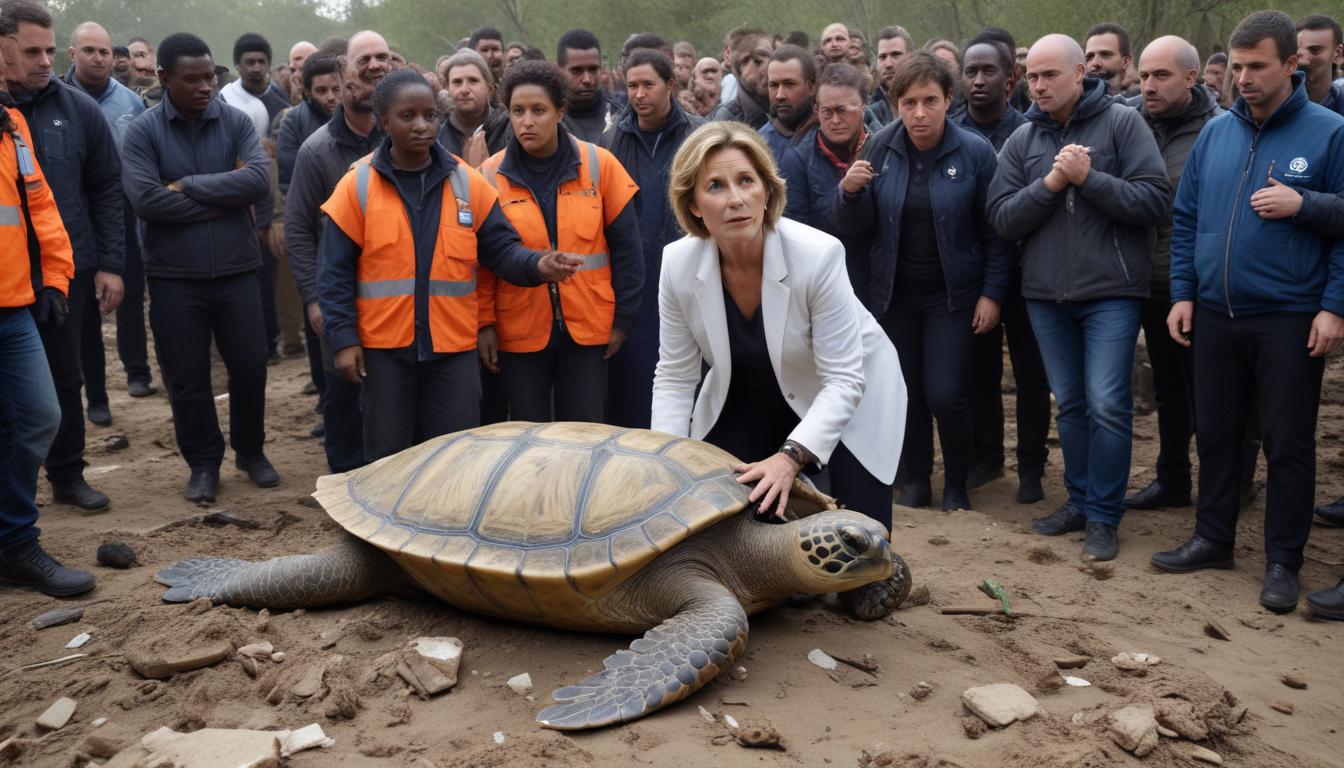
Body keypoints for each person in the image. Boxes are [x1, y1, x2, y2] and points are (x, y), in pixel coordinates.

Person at [1152, 11, 1344, 615]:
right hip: (1213, 312)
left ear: (1293, 64)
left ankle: (1283, 560)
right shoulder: (1216, 132)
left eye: (1257, 66)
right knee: (1215, 433)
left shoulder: (1329, 133)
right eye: (1236, 67)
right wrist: (1184, 292)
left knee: (1287, 443)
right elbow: (1185, 220)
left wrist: (1333, 304)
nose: (1243, 78)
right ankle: (1213, 538)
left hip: (1289, 315)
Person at [316, 70, 580, 462]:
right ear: (385, 122)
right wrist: (344, 340)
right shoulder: (357, 185)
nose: (421, 126)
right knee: (388, 454)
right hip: (384, 350)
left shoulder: (466, 182)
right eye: (407, 117)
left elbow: (501, 250)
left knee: (453, 456)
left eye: (429, 115)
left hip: (453, 349)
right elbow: (333, 272)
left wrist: (538, 264)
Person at [652, 122, 905, 528]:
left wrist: (790, 457)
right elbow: (675, 378)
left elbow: (843, 379)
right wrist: (663, 461)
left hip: (848, 393)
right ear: (694, 204)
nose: (735, 199)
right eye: (715, 186)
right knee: (722, 521)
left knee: (860, 548)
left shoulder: (818, 256)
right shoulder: (677, 264)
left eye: (746, 181)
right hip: (747, 395)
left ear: (767, 191)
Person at [988, 34, 1170, 562]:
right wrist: (1049, 184)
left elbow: (1154, 200)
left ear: (1078, 74)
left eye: (1049, 75)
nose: (1038, 86)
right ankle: (1081, 501)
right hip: (1045, 295)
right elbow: (1001, 217)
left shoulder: (1122, 123)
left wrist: (1089, 179)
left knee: (1108, 405)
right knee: (1069, 406)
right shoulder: (1023, 139)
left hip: (1111, 292)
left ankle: (1105, 518)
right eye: (1032, 77)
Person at [834, 52, 1010, 512]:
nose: (919, 113)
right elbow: (857, 229)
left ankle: (956, 483)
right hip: (895, 295)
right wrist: (849, 194)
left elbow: (995, 232)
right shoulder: (878, 148)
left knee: (947, 393)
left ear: (948, 100)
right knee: (905, 390)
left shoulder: (974, 152)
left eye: (930, 100)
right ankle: (917, 478)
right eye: (908, 102)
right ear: (895, 104)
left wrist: (992, 293)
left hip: (952, 295)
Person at [121, 32, 277, 503]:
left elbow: (256, 182)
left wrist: (185, 185)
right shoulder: (143, 131)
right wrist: (222, 198)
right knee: (187, 377)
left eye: (209, 76)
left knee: (250, 366)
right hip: (173, 278)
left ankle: (250, 451)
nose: (205, 86)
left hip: (237, 271)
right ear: (165, 79)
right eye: (192, 79)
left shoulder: (234, 123)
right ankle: (204, 463)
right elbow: (148, 201)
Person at [4, 0, 124, 512]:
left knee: (64, 374)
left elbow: (106, 189)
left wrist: (110, 264)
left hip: (64, 270)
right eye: (32, 50)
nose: (44, 60)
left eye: (50, 49)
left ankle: (68, 474)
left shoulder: (79, 111)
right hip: (6, 273)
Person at [477, 61, 643, 424]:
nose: (527, 121)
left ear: (560, 112)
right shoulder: (488, 175)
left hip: (588, 326)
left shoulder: (601, 165)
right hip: (518, 329)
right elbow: (483, 260)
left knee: (585, 432)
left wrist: (621, 320)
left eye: (539, 110)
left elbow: (628, 250)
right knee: (527, 435)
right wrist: (485, 323)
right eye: (518, 111)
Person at [0, 36, 94, 595]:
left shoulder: (12, 125)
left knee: (39, 416)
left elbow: (39, 202)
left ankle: (14, 543)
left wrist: (56, 278)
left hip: (14, 306)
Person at [1123, 36, 1222, 512]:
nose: (1149, 85)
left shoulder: (1220, 129)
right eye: (1143, 76)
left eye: (1161, 75)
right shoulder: (1128, 122)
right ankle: (1173, 478)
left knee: (1216, 393)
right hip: (1144, 283)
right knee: (1167, 388)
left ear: (1192, 77)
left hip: (1201, 288)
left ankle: (1231, 483)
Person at [953, 35, 1051, 504]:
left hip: (1031, 274)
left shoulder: (1033, 131)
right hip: (976, 278)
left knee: (1033, 376)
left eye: (988, 71)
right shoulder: (951, 133)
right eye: (970, 71)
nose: (977, 80)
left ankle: (1031, 466)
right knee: (980, 373)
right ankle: (986, 456)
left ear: (1011, 78)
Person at [286, 29, 389, 472]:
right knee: (344, 400)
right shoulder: (317, 151)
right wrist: (313, 296)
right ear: (343, 71)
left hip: (396, 301)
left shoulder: (411, 138)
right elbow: (298, 230)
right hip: (339, 300)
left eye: (382, 58)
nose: (374, 66)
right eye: (363, 59)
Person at [601, 49, 704, 428]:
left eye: (648, 84)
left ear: (671, 86)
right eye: (632, 86)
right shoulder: (611, 142)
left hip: (692, 276)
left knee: (692, 379)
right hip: (636, 284)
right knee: (638, 385)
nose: (639, 94)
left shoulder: (700, 136)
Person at [63, 20, 154, 413]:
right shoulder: (56, 100)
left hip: (122, 212)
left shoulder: (131, 104)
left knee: (129, 294)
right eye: (89, 51)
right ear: (72, 55)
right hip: (73, 216)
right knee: (82, 309)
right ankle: (96, 396)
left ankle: (137, 372)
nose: (98, 58)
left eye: (103, 51)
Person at [778, 63, 872, 291]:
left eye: (843, 110)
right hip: (826, 280)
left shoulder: (883, 149)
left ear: (863, 107)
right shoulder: (797, 160)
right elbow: (796, 234)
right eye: (827, 112)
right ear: (816, 109)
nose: (835, 120)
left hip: (880, 279)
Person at [276, 53, 339, 197]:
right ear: (307, 91)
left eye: (336, 89)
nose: (331, 97)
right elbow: (289, 182)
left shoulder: (356, 118)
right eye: (321, 90)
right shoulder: (292, 123)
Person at [436, 49, 510, 164]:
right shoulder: (437, 141)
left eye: (473, 81)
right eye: (457, 82)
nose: (464, 90)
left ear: (489, 88)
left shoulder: (509, 130)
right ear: (447, 87)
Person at [219, 33, 289, 138]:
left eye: (261, 62)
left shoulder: (282, 99)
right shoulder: (225, 98)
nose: (256, 68)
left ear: (269, 65)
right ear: (238, 66)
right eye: (250, 62)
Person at [759, 45, 816, 162]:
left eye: (789, 84)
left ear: (811, 87)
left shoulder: (833, 133)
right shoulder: (758, 147)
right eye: (773, 85)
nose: (780, 95)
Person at [556, 29, 614, 142]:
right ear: (559, 71)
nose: (587, 79)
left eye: (593, 69)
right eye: (577, 71)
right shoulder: (544, 124)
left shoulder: (621, 121)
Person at [711, 26, 771, 129]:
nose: (768, 65)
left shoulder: (787, 108)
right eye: (759, 60)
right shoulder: (727, 120)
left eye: (770, 56)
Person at [1297, 15, 1344, 115]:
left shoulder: (1340, 104)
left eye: (1315, 50)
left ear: (1337, 53)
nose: (1302, 61)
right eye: (1296, 51)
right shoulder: (1269, 106)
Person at [868, 25, 913, 126]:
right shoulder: (868, 112)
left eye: (896, 55)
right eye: (882, 57)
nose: (888, 64)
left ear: (911, 57)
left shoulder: (932, 99)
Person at [1085, 22, 1133, 97]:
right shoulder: (1070, 106)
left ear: (1125, 62)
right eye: (1090, 56)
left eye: (1105, 54)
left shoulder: (1143, 106)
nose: (1095, 63)